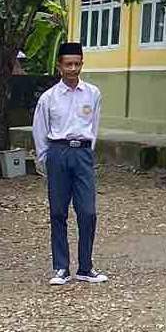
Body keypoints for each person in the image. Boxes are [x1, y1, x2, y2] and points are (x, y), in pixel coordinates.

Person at [32, 42, 106, 287]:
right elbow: (40, 129)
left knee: (88, 212)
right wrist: (45, 159)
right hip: (58, 152)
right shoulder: (48, 98)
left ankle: (86, 267)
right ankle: (61, 267)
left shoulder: (93, 94)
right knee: (58, 212)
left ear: (82, 64)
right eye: (68, 64)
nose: (72, 69)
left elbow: (94, 125)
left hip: (82, 154)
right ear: (59, 66)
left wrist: (87, 151)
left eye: (77, 64)